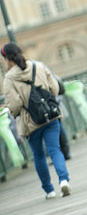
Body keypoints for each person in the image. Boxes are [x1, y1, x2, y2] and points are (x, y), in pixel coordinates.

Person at [2, 42, 71, 199]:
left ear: (6, 59)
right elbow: (54, 87)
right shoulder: (38, 66)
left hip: (30, 122)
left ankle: (49, 190)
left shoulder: (9, 78)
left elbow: (15, 105)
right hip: (50, 114)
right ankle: (64, 181)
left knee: (39, 156)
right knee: (55, 149)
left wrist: (19, 110)